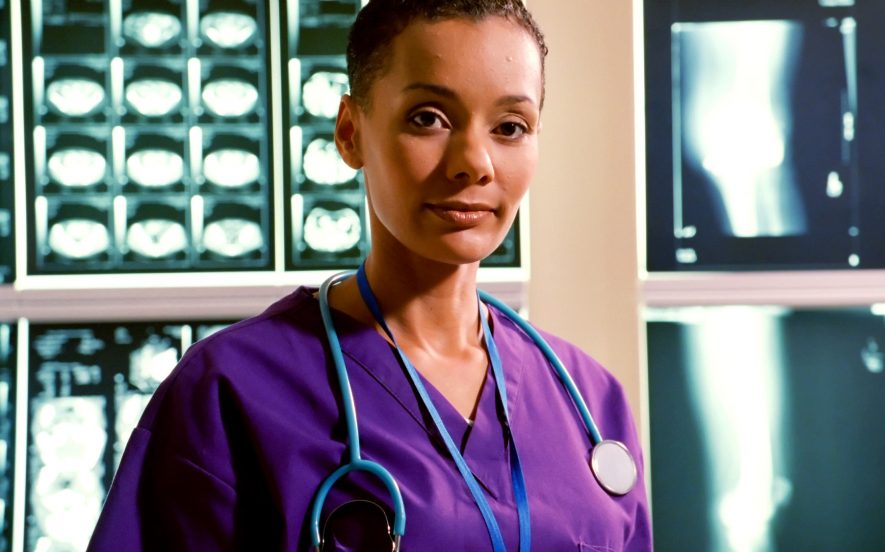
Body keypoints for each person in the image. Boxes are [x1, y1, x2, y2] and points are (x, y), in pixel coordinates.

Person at [88, 0, 653, 550]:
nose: (474, 162)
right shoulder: (229, 391)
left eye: (510, 126)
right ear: (350, 132)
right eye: (428, 118)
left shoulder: (590, 399)